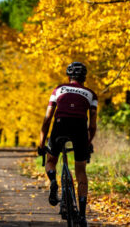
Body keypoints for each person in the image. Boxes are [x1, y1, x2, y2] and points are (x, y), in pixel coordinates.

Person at [38, 62, 97, 227]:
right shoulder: (91, 94)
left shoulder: (58, 90)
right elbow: (92, 125)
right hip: (79, 128)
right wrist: (88, 142)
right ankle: (83, 216)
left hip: (60, 124)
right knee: (80, 171)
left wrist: (41, 144)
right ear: (84, 77)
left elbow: (47, 118)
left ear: (68, 76)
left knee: (51, 160)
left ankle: (53, 181)